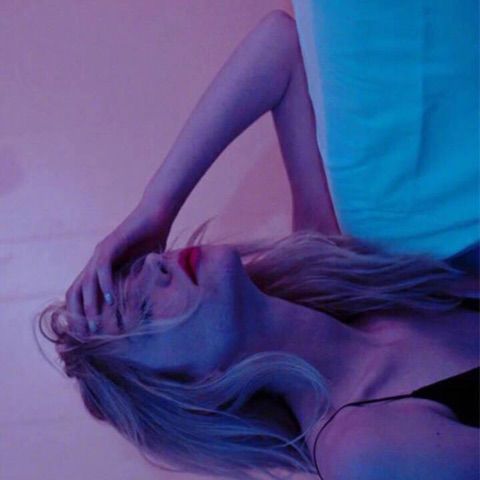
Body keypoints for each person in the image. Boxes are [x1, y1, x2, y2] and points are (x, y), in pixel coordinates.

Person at [36, 10, 479, 480]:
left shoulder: (344, 280)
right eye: (143, 313)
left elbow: (281, 46)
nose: (153, 266)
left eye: (136, 270)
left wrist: (155, 208)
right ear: (197, 387)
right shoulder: (361, 449)